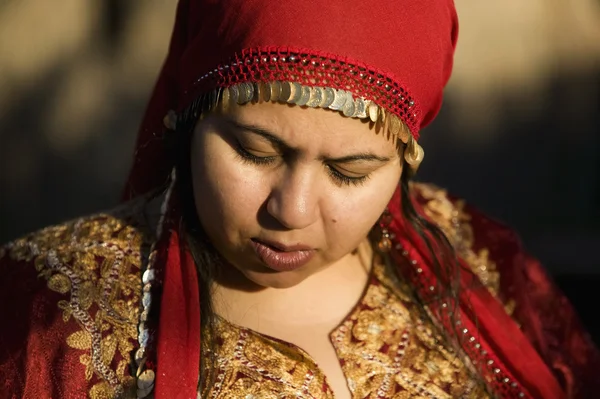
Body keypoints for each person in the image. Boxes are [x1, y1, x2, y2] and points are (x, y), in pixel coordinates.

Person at [1, 0, 598, 398]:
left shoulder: (481, 261)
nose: (291, 211)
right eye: (256, 152)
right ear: (189, 120)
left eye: (350, 170)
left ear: (405, 158)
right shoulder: (50, 307)